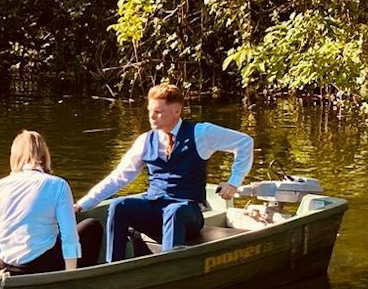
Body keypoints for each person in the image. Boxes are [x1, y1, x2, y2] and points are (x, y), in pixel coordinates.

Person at [75, 83, 254, 260]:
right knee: (119, 206)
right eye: (149, 111)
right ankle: (113, 266)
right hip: (155, 207)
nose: (152, 117)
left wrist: (233, 182)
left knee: (174, 211)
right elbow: (118, 177)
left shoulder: (201, 133)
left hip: (188, 211)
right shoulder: (145, 140)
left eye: (158, 112)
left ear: (176, 111)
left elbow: (245, 143)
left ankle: (168, 265)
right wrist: (82, 204)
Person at [0, 130, 94, 275]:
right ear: (45, 156)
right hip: (41, 264)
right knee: (91, 227)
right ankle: (82, 281)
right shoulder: (58, 185)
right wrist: (70, 273)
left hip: (6, 265)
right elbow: (69, 235)